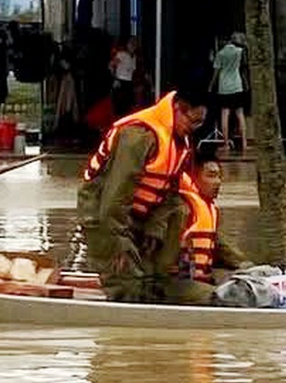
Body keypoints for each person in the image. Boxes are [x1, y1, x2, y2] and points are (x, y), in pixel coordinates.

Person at [78, 89, 208, 302]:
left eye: (199, 124)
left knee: (153, 280)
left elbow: (171, 193)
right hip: (104, 217)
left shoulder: (179, 141)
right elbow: (115, 197)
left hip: (141, 216)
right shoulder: (139, 135)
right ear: (178, 109)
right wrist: (120, 243)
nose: (193, 130)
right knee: (129, 288)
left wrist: (155, 229)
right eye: (193, 122)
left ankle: (157, 287)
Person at [167, 147, 251, 304]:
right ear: (192, 176)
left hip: (198, 282)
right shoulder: (180, 208)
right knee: (233, 297)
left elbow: (222, 248)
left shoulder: (209, 210)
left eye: (220, 176)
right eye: (211, 176)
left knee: (247, 281)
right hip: (175, 284)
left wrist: (248, 267)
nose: (218, 182)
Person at [210, 32, 248, 153]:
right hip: (237, 85)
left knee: (225, 115)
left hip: (224, 87)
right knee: (240, 115)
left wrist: (211, 85)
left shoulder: (220, 54)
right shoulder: (239, 52)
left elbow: (216, 73)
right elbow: (243, 68)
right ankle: (244, 143)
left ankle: (226, 143)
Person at [111, 36, 138, 116]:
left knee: (128, 105)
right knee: (120, 106)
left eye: (134, 44)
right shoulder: (122, 54)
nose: (133, 45)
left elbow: (133, 71)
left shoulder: (134, 57)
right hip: (120, 81)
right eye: (131, 43)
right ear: (127, 44)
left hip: (129, 82)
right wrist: (115, 79)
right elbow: (112, 65)